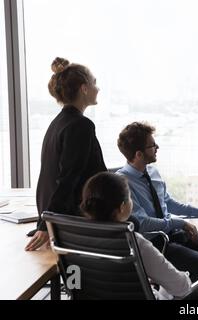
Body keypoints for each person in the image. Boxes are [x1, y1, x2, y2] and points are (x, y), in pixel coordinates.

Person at [116, 122, 198, 298]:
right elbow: (143, 223)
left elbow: (168, 203)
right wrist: (181, 223)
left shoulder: (153, 172)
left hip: (175, 234)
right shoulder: (122, 182)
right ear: (139, 154)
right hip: (157, 243)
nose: (157, 147)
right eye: (152, 145)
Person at [80, 172, 198, 300]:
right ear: (122, 207)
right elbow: (181, 287)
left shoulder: (76, 238)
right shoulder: (134, 243)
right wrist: (182, 277)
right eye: (130, 198)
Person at [26, 57, 107, 251]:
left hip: (59, 218)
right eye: (94, 83)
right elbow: (68, 178)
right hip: (72, 222)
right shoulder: (80, 125)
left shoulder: (58, 123)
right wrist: (46, 223)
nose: (98, 88)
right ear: (83, 88)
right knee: (137, 228)